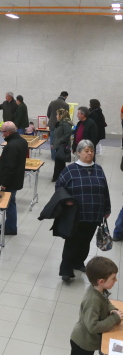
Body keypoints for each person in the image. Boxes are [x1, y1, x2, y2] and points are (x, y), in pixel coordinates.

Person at [54, 256, 123, 355]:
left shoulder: (99, 291)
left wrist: (113, 310)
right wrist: (114, 319)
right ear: (101, 281)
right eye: (113, 278)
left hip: (87, 343)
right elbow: (92, 327)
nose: (116, 280)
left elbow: (107, 303)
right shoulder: (93, 300)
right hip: (82, 343)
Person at [56, 140, 110, 282]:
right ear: (78, 152)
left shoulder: (98, 169)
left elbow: (105, 191)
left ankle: (78, 262)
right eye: (86, 151)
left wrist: (107, 209)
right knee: (72, 242)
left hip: (94, 214)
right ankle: (66, 271)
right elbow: (59, 188)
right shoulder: (70, 170)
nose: (90, 153)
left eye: (91, 150)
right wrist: (66, 201)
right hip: (76, 215)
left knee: (86, 241)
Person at [0, 121, 28, 235]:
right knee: (11, 202)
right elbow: (16, 160)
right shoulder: (22, 141)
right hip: (17, 178)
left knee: (9, 204)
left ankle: (11, 228)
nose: (2, 134)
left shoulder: (12, 145)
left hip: (10, 181)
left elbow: (10, 168)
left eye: (3, 132)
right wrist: (3, 159)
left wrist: (4, 183)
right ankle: (9, 223)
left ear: (8, 132)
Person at [51, 109, 73, 182]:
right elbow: (57, 135)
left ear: (61, 116)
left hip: (62, 145)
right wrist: (54, 143)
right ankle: (60, 176)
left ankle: (57, 177)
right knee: (60, 162)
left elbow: (67, 135)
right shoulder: (60, 123)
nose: (56, 116)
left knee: (59, 162)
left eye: (57, 115)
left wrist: (59, 141)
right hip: (59, 144)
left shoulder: (65, 124)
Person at [47, 92, 69, 160]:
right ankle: (59, 155)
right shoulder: (66, 105)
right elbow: (66, 116)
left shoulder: (52, 102)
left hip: (52, 124)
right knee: (60, 140)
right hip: (61, 125)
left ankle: (53, 156)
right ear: (66, 96)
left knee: (52, 140)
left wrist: (52, 119)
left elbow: (48, 114)